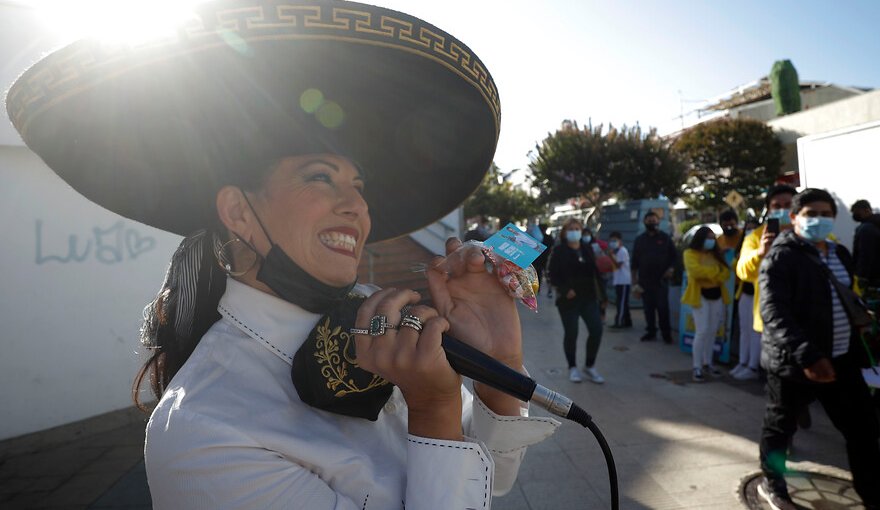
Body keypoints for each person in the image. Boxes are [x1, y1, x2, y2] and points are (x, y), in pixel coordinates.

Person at [7, 2, 559, 507]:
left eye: (359, 185)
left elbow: (492, 479)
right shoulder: (205, 430)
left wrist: (500, 365)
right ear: (239, 212)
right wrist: (433, 410)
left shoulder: (372, 320)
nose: (356, 208)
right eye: (321, 178)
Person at [756, 188, 880, 510]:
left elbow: (844, 294)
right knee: (780, 429)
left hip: (842, 360)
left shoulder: (839, 252)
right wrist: (809, 355)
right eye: (810, 214)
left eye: (826, 214)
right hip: (795, 364)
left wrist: (860, 318)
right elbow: (774, 312)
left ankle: (876, 499)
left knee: (864, 432)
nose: (819, 220)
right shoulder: (780, 255)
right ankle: (772, 484)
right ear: (794, 218)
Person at [735, 185, 797, 380]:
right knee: (783, 385)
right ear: (769, 210)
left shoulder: (810, 234)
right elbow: (742, 270)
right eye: (776, 206)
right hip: (774, 321)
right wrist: (760, 252)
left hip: (809, 316)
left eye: (788, 205)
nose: (782, 209)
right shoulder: (756, 236)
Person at [548, 218, 608, 383]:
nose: (574, 231)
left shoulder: (588, 249)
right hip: (568, 302)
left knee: (596, 330)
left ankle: (590, 366)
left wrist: (603, 296)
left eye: (577, 228)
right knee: (572, 333)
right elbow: (552, 274)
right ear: (565, 232)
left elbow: (597, 273)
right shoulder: (559, 251)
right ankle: (572, 367)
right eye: (571, 228)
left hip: (589, 298)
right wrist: (565, 289)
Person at [682, 226, 731, 382]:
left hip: (717, 296)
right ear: (700, 238)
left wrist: (711, 273)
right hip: (700, 296)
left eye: (712, 238)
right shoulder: (689, 253)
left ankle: (707, 363)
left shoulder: (715, 254)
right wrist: (714, 272)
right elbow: (695, 272)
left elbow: (725, 273)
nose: (711, 241)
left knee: (712, 331)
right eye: (708, 237)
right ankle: (697, 367)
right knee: (702, 331)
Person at [631, 211, 677, 343]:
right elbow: (634, 262)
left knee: (663, 308)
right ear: (644, 222)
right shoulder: (640, 240)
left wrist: (671, 268)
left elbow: (674, 256)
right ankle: (650, 332)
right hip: (644, 281)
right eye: (649, 220)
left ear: (658, 222)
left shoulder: (665, 238)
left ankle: (666, 334)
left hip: (661, 281)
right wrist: (634, 281)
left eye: (654, 220)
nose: (652, 222)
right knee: (648, 309)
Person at [850, 199, 880, 290]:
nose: (854, 215)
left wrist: (861, 276)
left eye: (856, 211)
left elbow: (865, 255)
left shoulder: (866, 229)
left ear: (866, 210)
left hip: (872, 278)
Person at [607, 231, 632, 329]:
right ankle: (627, 321)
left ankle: (619, 321)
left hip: (623, 281)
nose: (612, 242)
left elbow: (618, 265)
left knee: (620, 302)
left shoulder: (622, 251)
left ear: (620, 241)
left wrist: (610, 256)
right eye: (611, 241)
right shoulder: (616, 251)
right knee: (623, 302)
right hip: (619, 280)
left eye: (615, 240)